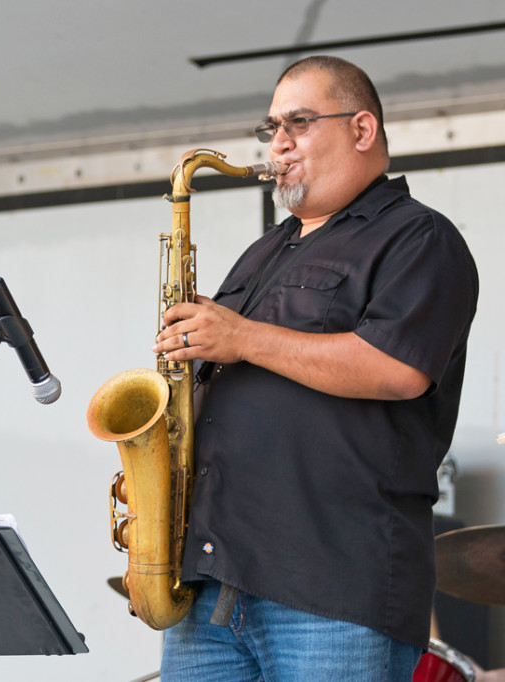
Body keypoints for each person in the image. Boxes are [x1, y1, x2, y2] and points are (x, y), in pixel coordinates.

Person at [152, 56, 478, 680]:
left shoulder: (419, 237)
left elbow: (396, 368)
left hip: (332, 587)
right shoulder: (266, 249)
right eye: (271, 127)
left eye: (299, 122)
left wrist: (242, 337)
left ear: (362, 129)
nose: (278, 142)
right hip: (214, 579)